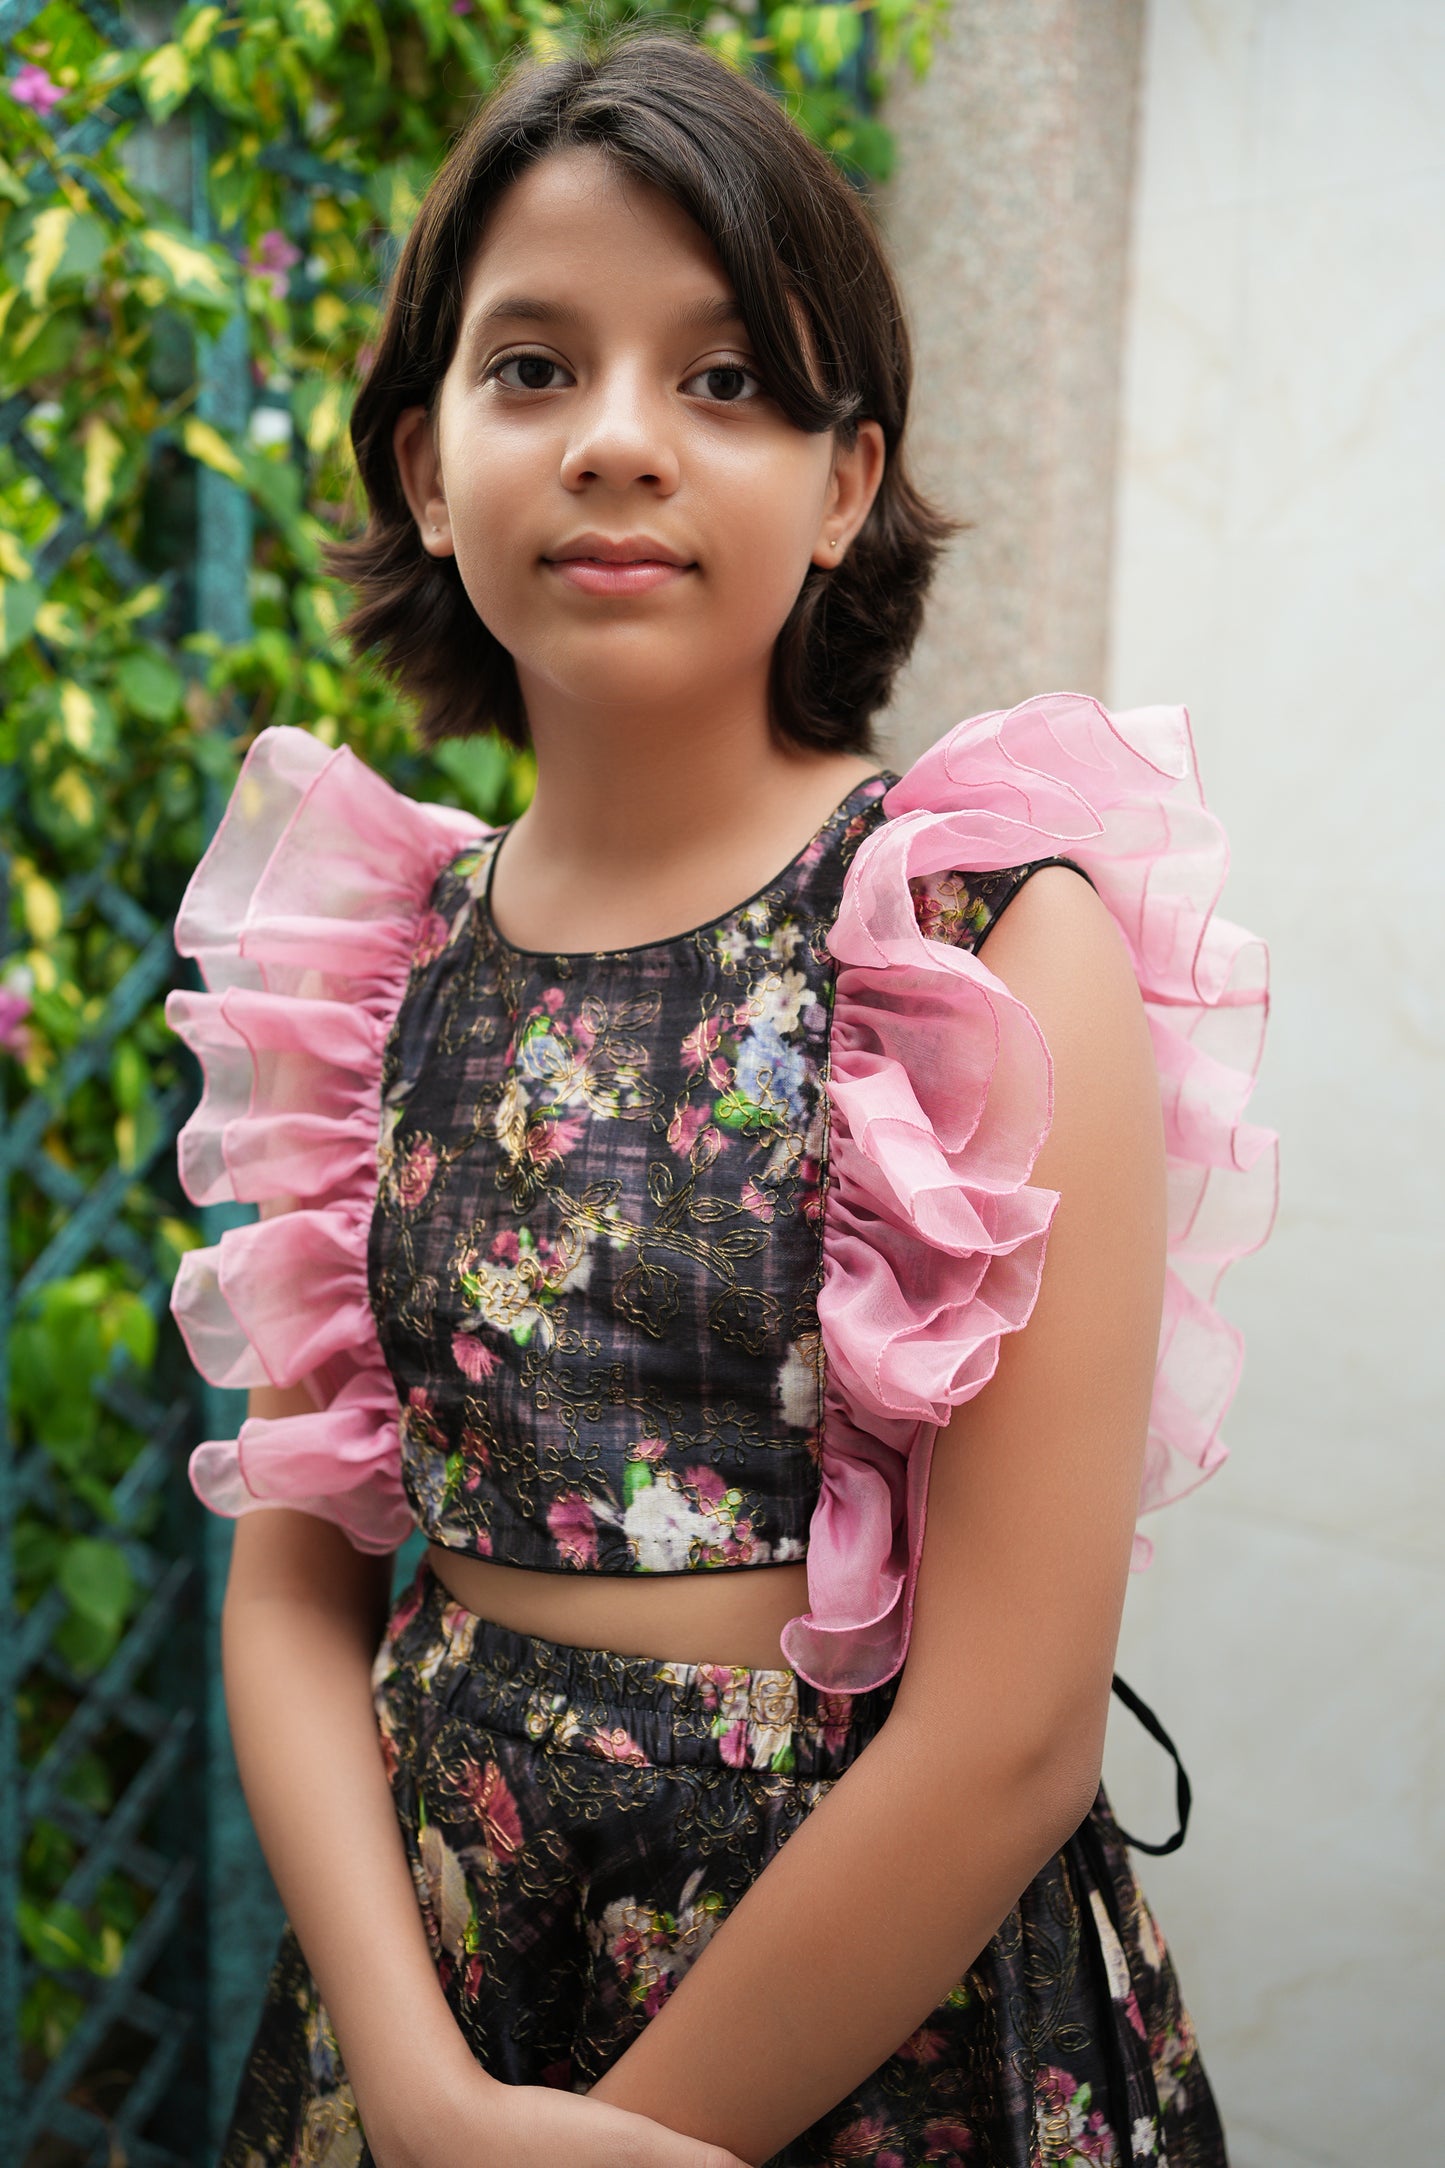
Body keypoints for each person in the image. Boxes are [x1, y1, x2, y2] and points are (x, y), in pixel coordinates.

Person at [166, 29, 1276, 2168]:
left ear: (848, 478)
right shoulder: (379, 963)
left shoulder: (974, 945)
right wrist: (421, 2092)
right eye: (532, 368)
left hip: (871, 2015)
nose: (617, 442)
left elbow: (1018, 1727)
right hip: (435, 1982)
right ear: (424, 462)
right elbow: (295, 1598)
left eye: (725, 379)